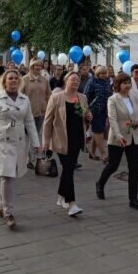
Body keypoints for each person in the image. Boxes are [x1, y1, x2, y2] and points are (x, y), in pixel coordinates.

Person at [0, 70, 40, 229]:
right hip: (2, 142)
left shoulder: (24, 99)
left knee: (9, 175)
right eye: (10, 78)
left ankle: (1, 205)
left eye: (16, 78)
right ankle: (9, 212)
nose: (13, 81)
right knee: (7, 175)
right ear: (5, 82)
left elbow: (29, 121)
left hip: (19, 141)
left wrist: (35, 142)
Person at [43, 71, 91, 216]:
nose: (76, 82)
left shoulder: (82, 97)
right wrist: (45, 141)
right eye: (73, 80)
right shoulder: (56, 97)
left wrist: (88, 117)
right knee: (69, 168)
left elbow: (86, 116)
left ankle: (61, 195)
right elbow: (47, 121)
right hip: (60, 139)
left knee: (68, 169)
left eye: (78, 80)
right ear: (66, 81)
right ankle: (72, 204)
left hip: (76, 138)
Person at [96, 73, 138, 211]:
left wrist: (136, 123)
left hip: (133, 137)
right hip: (118, 138)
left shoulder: (133, 98)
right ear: (118, 85)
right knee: (113, 165)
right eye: (124, 83)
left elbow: (135, 115)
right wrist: (118, 136)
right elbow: (112, 119)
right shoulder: (113, 99)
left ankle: (133, 199)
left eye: (128, 83)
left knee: (134, 168)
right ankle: (100, 183)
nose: (128, 85)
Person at [20, 60, 51, 169]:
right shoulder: (25, 79)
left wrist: (47, 106)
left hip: (41, 112)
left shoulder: (44, 80)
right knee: (28, 135)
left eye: (40, 65)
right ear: (31, 66)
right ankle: (29, 158)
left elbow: (48, 95)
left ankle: (31, 157)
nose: (38, 67)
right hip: (28, 112)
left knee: (36, 135)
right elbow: (20, 95)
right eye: (36, 65)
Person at [85, 66, 112, 162]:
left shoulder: (107, 81)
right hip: (94, 110)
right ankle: (104, 154)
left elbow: (109, 94)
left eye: (106, 73)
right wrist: (87, 110)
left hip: (105, 110)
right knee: (98, 131)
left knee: (99, 130)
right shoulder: (92, 82)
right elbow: (86, 96)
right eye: (102, 73)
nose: (105, 75)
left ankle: (92, 152)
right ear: (97, 74)